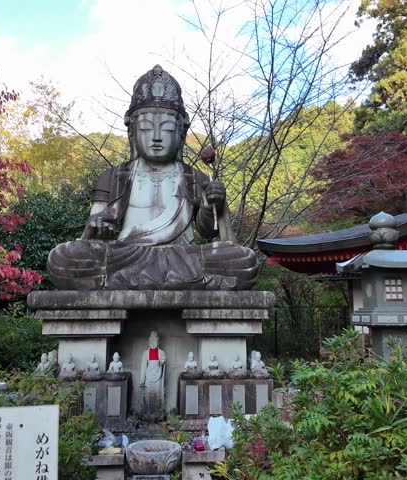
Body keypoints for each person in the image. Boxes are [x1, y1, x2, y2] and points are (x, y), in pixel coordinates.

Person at [47, 65, 258, 291]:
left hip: (183, 255)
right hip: (127, 254)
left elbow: (209, 232)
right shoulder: (114, 176)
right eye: (147, 128)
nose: (156, 138)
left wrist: (209, 205)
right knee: (63, 257)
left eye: (166, 129)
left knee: (243, 259)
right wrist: (98, 229)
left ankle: (130, 280)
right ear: (133, 132)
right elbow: (93, 227)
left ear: (180, 133)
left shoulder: (194, 177)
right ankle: (175, 280)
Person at [139, 331, 166, 417]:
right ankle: (148, 412)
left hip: (158, 376)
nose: (154, 343)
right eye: (152, 341)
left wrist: (163, 362)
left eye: (155, 341)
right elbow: (143, 367)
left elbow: (162, 364)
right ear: (149, 341)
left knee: (158, 395)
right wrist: (142, 380)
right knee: (147, 395)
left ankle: (158, 413)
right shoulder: (145, 353)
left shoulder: (161, 352)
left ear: (158, 342)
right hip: (148, 376)